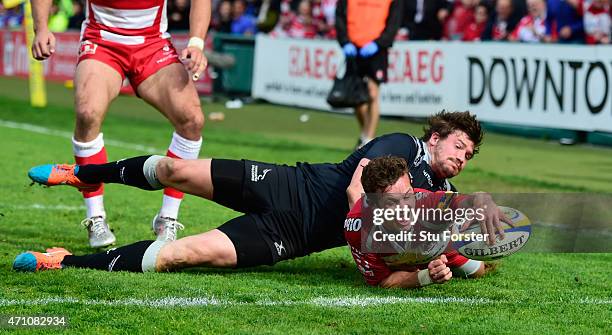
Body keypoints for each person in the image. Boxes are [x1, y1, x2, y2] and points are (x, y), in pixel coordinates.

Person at [15, 112, 508, 274]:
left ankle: (63, 261)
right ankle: (87, 173)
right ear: (437, 136)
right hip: (288, 183)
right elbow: (358, 186)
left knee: (184, 255)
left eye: (469, 156)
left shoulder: (442, 197)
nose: (462, 158)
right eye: (459, 147)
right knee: (174, 169)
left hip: (290, 234)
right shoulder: (404, 146)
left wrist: (479, 255)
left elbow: (454, 247)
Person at [30, 0, 211, 248]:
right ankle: (96, 216)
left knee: (192, 120)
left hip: (153, 45)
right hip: (102, 43)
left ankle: (167, 217)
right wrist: (41, 27)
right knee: (87, 112)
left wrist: (196, 43)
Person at [344, 156, 496, 289]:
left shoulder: (428, 203)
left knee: (477, 270)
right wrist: (427, 276)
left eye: (408, 196)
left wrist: (482, 199)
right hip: (397, 255)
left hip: (438, 244)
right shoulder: (358, 228)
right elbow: (383, 281)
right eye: (391, 202)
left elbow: (465, 200)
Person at [335, 0, 403, 148]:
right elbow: (340, 17)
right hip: (354, 49)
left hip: (376, 50)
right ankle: (364, 134)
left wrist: (379, 43)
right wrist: (344, 41)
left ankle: (368, 139)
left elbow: (393, 23)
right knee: (356, 98)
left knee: (372, 94)